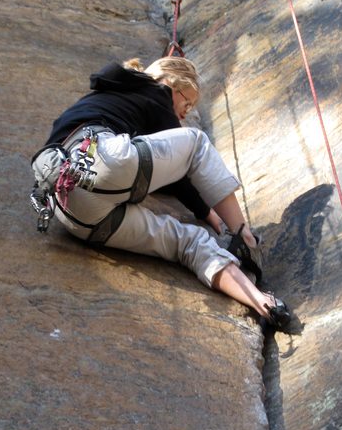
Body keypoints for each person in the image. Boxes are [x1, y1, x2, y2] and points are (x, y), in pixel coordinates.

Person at [31, 55, 292, 331]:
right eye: (186, 102)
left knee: (187, 242)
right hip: (100, 156)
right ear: (170, 83)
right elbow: (181, 167)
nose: (184, 113)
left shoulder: (111, 98)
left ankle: (263, 304)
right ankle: (246, 239)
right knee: (195, 142)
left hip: (71, 209)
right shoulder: (155, 91)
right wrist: (207, 213)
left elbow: (159, 169)